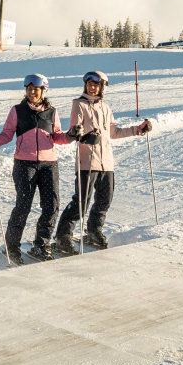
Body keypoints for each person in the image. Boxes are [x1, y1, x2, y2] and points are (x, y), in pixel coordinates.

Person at [0, 72, 69, 263]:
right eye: (29, 89)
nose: (32, 92)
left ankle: (41, 245)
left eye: (36, 89)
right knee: (23, 206)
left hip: (49, 164)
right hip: (25, 164)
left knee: (52, 206)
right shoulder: (17, 110)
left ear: (43, 91)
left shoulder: (52, 112)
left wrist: (72, 135)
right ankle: (12, 246)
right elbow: (6, 135)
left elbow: (58, 136)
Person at [56, 70, 151, 255]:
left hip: (106, 162)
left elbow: (113, 132)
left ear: (102, 87)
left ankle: (93, 231)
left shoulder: (106, 108)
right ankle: (63, 236)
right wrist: (85, 136)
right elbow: (75, 132)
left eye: (96, 85)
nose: (92, 88)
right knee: (81, 202)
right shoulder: (79, 105)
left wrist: (138, 130)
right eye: (89, 85)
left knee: (104, 200)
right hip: (87, 162)